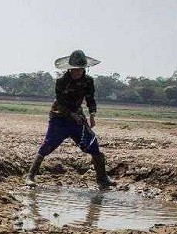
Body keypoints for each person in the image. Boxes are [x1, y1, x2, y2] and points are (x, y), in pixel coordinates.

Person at [26, 50, 115, 189]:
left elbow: (90, 99)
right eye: (75, 69)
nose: (78, 72)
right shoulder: (61, 82)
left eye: (81, 69)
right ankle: (30, 176)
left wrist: (92, 115)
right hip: (59, 116)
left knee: (93, 144)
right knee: (48, 145)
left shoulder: (88, 81)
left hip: (77, 118)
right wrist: (71, 115)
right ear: (70, 68)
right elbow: (60, 103)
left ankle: (102, 179)